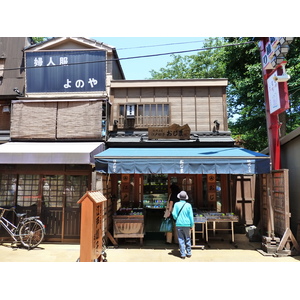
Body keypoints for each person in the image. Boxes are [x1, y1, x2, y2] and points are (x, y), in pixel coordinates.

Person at [172, 190, 194, 259]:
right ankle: (189, 252)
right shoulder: (188, 205)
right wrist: (191, 225)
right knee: (187, 238)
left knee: (181, 239)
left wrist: (176, 219)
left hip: (179, 223)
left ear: (179, 197)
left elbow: (174, 214)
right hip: (187, 224)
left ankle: (182, 254)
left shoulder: (176, 204)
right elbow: (191, 216)